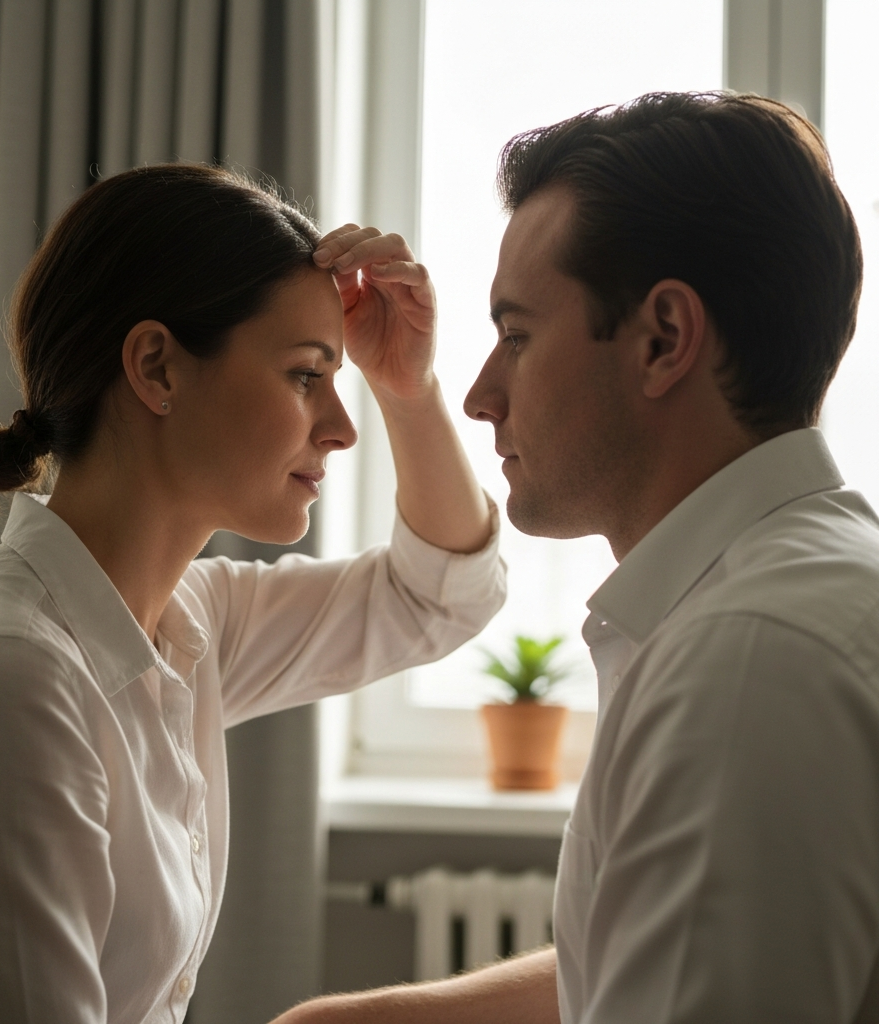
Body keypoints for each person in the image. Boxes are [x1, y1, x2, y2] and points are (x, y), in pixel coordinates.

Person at [276, 92, 879, 1023]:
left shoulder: (750, 661)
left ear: (663, 339)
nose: (480, 395)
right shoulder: (794, 588)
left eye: (516, 335)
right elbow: (653, 951)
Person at [0, 164, 506, 1022]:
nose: (343, 429)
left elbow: (438, 599)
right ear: (157, 366)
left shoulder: (184, 622)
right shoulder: (3, 674)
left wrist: (409, 387)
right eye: (308, 376)